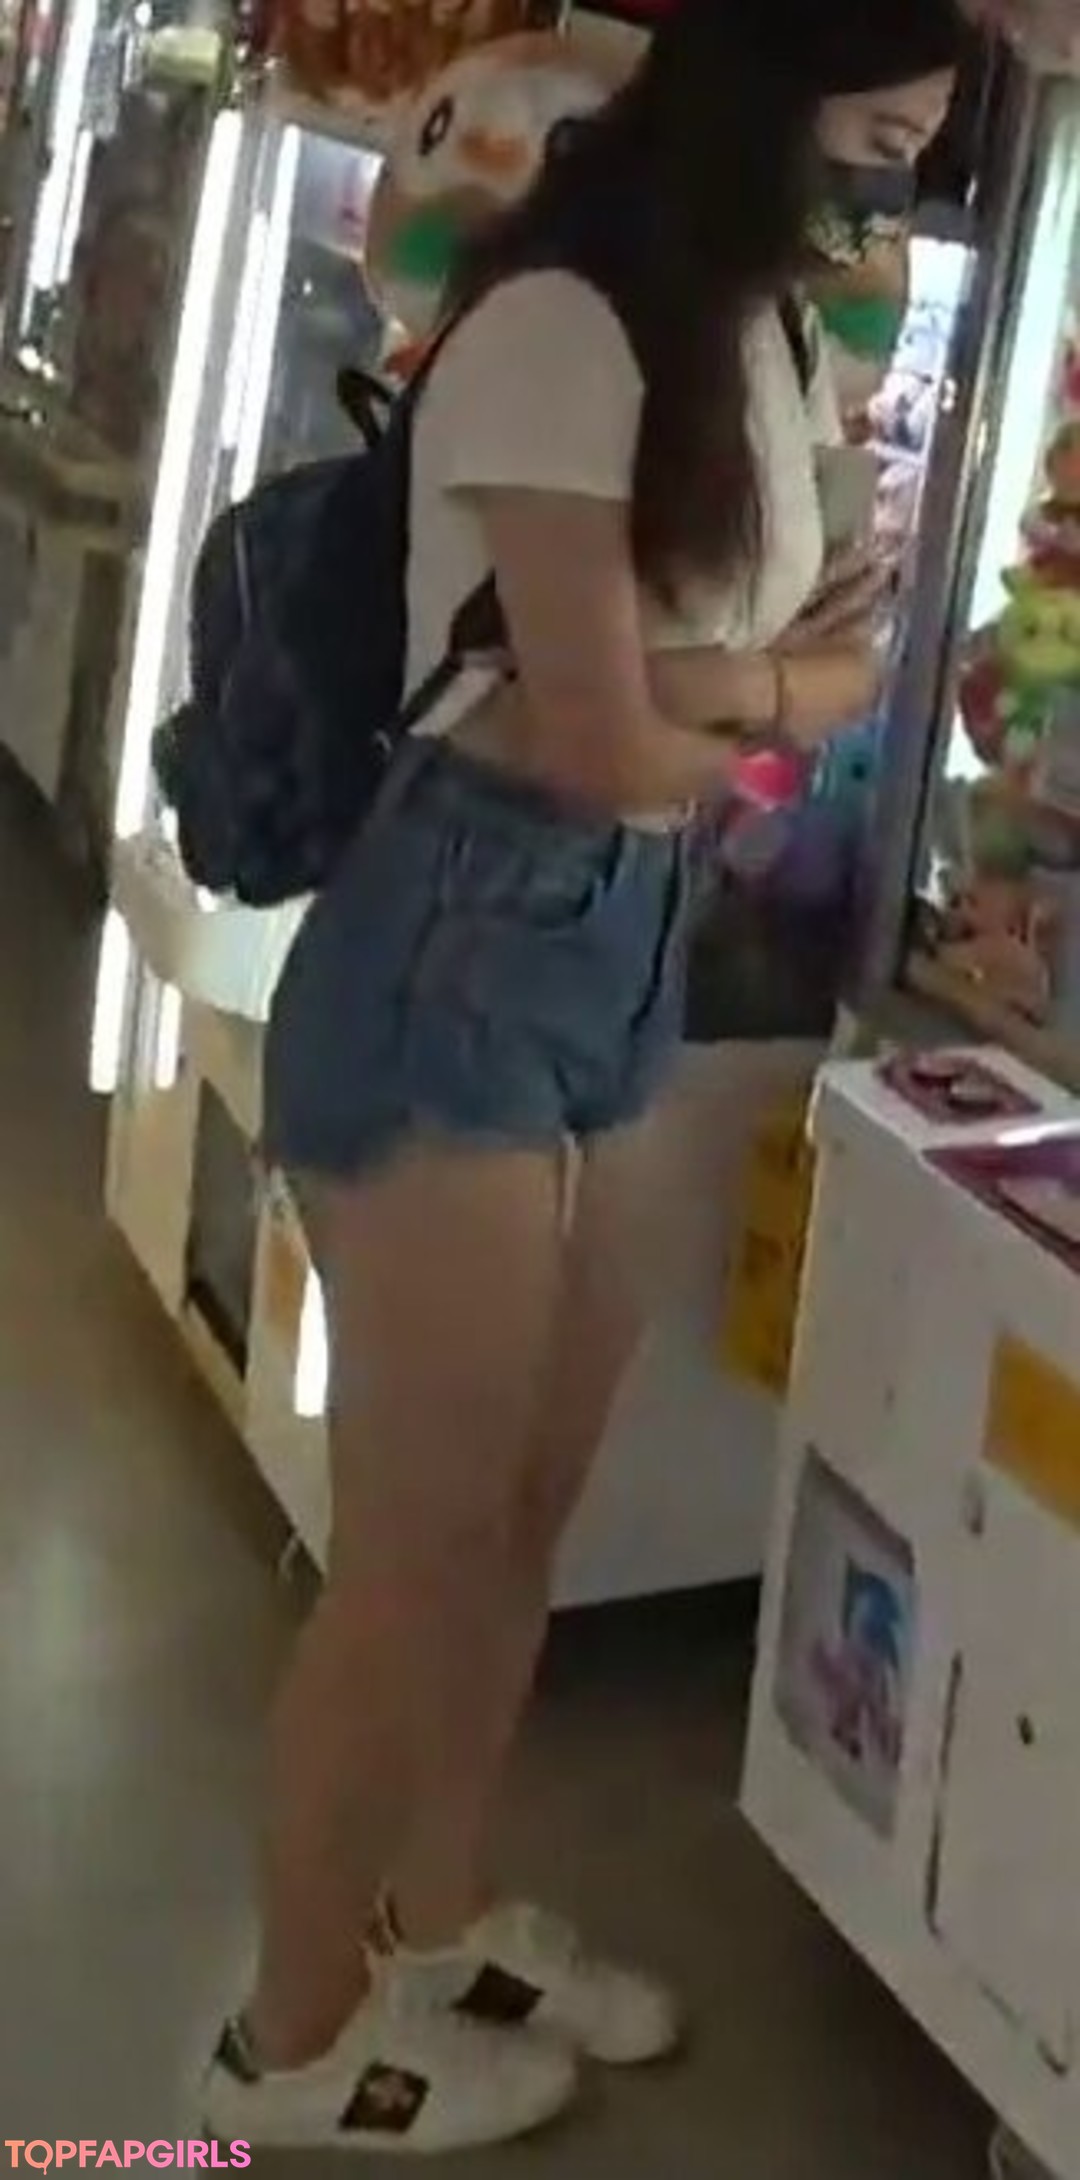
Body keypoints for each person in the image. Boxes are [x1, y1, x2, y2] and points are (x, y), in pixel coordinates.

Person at [204, 0, 963, 2152]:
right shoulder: (559, 329)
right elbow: (610, 732)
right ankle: (283, 2041)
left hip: (624, 933)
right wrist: (780, 685)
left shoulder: (753, 339)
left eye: (917, 150)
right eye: (875, 136)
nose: (890, 191)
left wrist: (732, 678)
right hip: (459, 932)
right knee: (418, 1540)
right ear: (767, 104)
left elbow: (722, 673)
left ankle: (437, 1914)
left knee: (531, 1503)